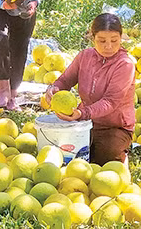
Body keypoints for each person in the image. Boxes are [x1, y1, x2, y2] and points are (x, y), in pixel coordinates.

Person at [44, 13, 136, 165]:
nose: (109, 46)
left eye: (114, 40)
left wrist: (82, 113)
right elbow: (66, 79)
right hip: (85, 123)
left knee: (103, 158)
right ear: (92, 38)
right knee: (63, 153)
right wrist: (54, 88)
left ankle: (122, 152)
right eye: (102, 40)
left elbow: (110, 101)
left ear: (121, 38)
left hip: (114, 127)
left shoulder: (125, 64)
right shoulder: (85, 56)